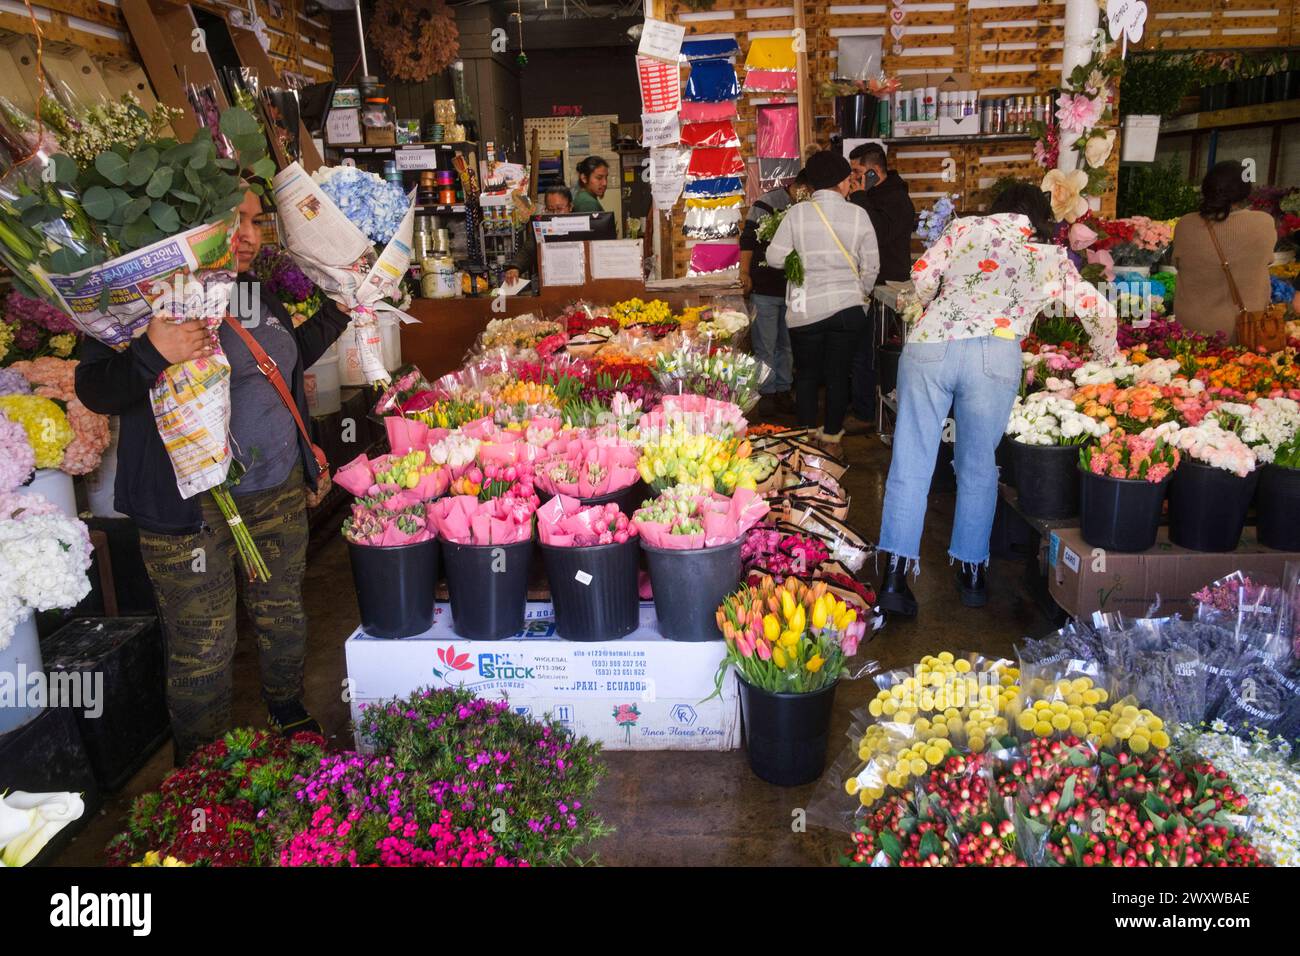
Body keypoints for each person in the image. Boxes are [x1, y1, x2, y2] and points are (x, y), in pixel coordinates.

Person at [74, 189, 351, 764]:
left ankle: (286, 704)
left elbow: (280, 360)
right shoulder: (140, 304)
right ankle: (202, 770)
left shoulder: (249, 291)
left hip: (272, 490)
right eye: (234, 222)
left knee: (283, 610)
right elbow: (97, 389)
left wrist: (342, 310)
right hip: (190, 511)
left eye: (255, 221)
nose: (249, 235)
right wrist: (153, 350)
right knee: (205, 643)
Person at [876, 184, 1117, 618]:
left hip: (931, 344)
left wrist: (940, 303)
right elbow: (1098, 310)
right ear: (1040, 216)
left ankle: (893, 578)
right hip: (997, 351)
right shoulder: (1047, 254)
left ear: (997, 208)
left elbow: (923, 276)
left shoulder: (962, 228)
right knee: (978, 465)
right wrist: (1104, 357)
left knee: (911, 461)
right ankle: (971, 575)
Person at [766, 151, 880, 454]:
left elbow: (774, 258)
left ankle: (804, 443)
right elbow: (871, 266)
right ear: (844, 182)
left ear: (812, 185)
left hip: (806, 311)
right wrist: (860, 296)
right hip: (848, 309)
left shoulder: (796, 214)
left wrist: (801, 260)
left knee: (806, 376)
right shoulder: (859, 215)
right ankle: (830, 442)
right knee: (838, 375)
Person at [846, 142, 917, 433]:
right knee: (861, 351)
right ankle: (861, 405)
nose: (852, 178)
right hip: (867, 285)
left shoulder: (896, 199)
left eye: (857, 172)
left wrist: (861, 196)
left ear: (874, 172)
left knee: (870, 353)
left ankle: (865, 413)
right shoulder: (873, 195)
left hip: (886, 287)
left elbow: (877, 233)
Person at [1172, 160, 1275, 342]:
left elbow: (1178, 264)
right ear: (1245, 191)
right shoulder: (1264, 223)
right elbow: (1267, 260)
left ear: (1206, 189)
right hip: (1247, 329)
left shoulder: (1186, 225)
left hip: (1194, 332)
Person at [739, 172, 809, 417]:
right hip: (765, 288)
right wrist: (744, 273)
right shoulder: (766, 203)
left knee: (787, 345)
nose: (808, 196)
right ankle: (766, 393)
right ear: (798, 186)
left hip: (794, 289)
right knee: (765, 345)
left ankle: (783, 390)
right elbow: (747, 241)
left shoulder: (809, 208)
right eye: (807, 190)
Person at [504, 185, 573, 288]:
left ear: (570, 207)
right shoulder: (542, 227)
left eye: (559, 209)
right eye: (550, 210)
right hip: (548, 284)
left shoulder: (582, 225)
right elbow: (528, 250)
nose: (554, 214)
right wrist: (515, 267)